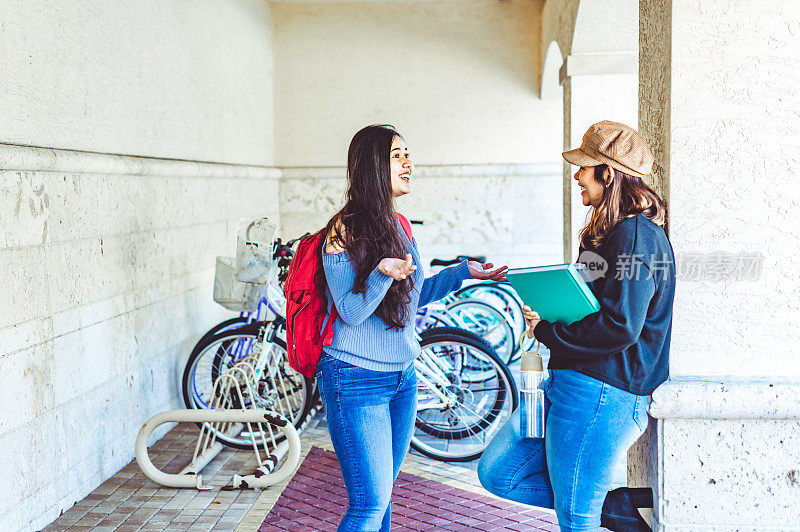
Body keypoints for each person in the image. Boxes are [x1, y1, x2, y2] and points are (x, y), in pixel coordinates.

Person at [478, 121, 676, 532]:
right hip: (569, 380)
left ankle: (595, 504)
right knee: (499, 472)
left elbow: (620, 326)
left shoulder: (636, 235)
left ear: (609, 173)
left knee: (575, 519)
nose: (576, 176)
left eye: (585, 167)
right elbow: (589, 307)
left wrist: (550, 332)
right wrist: (548, 313)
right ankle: (607, 504)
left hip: (604, 391)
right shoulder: (607, 233)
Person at [315, 124, 508, 532]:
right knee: (368, 503)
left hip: (403, 376)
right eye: (396, 155)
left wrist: (463, 274)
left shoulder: (399, 225)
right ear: (372, 166)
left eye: (408, 154)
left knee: (383, 495)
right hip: (355, 376)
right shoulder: (342, 230)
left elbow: (413, 295)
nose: (408, 162)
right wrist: (383, 273)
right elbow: (350, 311)